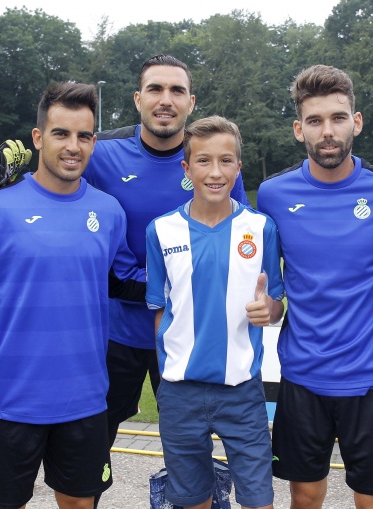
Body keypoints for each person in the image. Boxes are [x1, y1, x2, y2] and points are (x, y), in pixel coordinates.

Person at [0, 81, 145, 509]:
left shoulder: (109, 211)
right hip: (7, 404)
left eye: (84, 136)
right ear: (38, 138)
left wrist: (202, 277)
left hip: (87, 402)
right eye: (61, 133)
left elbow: (126, 280)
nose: (73, 146)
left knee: (80, 504)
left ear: (93, 142)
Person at [256, 65, 373, 509]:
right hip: (302, 376)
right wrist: (269, 308)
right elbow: (271, 285)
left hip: (372, 377)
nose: (327, 131)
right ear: (299, 129)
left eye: (338, 118)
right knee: (305, 497)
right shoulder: (273, 195)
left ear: (356, 122)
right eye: (315, 120)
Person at [83, 54, 250, 447]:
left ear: (191, 103)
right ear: (138, 98)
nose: (165, 100)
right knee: (89, 449)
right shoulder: (101, 153)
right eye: (155, 89)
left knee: (191, 449)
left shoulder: (211, 162)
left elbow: (237, 242)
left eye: (177, 91)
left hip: (187, 337)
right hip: (113, 334)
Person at [146, 116, 284, 509]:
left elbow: (275, 304)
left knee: (259, 500)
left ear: (238, 167)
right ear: (187, 168)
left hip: (242, 391)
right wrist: (168, 371)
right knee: (192, 499)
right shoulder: (161, 231)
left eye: (225, 161)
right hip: (180, 393)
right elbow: (160, 310)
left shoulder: (261, 228)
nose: (215, 172)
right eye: (203, 161)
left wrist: (269, 310)